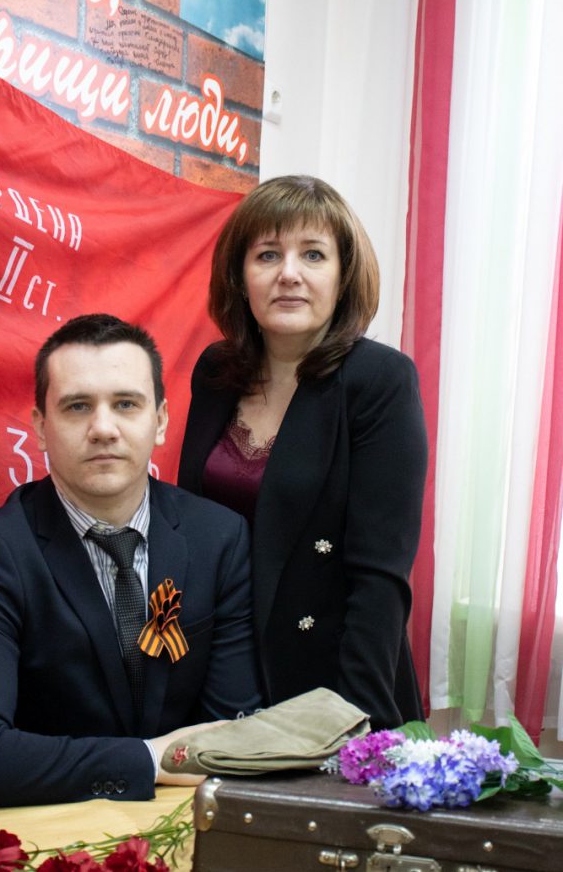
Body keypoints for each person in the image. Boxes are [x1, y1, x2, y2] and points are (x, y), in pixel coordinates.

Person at [0, 313, 261, 807]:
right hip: (54, 827)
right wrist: (148, 759)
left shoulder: (219, 539)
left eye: (125, 404)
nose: (103, 429)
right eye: (77, 406)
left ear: (160, 421)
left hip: (188, 821)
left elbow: (230, 737)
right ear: (40, 427)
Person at [178, 175, 427, 731]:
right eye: (267, 254)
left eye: (313, 254)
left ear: (343, 276)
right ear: (240, 276)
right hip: (219, 668)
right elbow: (189, 529)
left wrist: (351, 722)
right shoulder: (216, 370)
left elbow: (380, 578)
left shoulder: (380, 380)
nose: (288, 273)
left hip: (329, 676)